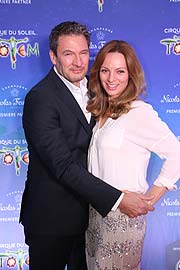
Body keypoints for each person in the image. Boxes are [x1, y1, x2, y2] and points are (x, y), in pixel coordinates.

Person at [19, 22, 154, 270]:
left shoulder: (96, 92)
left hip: (90, 220)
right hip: (51, 222)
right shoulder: (40, 99)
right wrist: (118, 199)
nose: (78, 62)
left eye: (83, 53)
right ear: (53, 57)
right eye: (68, 54)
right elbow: (63, 165)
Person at [85, 40, 180, 270]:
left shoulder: (139, 112)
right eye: (105, 71)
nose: (111, 79)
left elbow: (176, 152)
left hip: (122, 219)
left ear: (130, 75)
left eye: (120, 71)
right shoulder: (101, 113)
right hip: (94, 215)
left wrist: (150, 198)